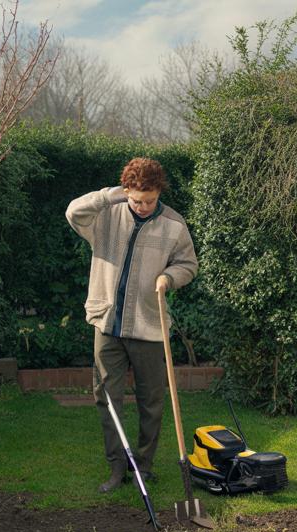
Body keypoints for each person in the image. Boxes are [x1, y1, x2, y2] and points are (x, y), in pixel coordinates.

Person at [65, 158, 198, 493]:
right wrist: (111, 196)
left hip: (149, 327)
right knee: (107, 398)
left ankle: (145, 466)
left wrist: (169, 277)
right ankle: (117, 467)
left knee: (151, 401)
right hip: (107, 324)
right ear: (126, 192)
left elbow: (188, 264)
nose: (143, 207)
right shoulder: (106, 215)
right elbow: (73, 212)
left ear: (159, 194)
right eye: (137, 200)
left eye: (149, 200)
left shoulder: (173, 224)